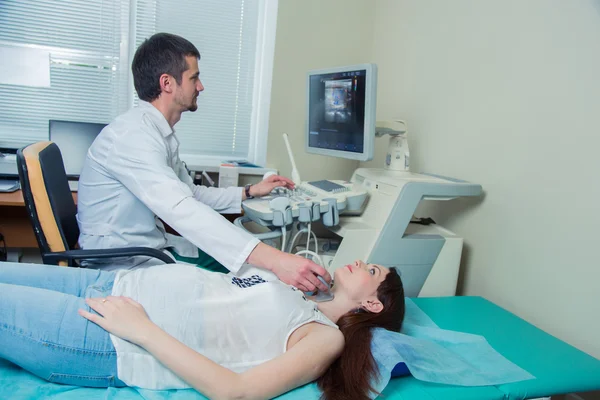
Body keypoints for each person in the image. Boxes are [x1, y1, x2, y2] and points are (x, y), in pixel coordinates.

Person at [76, 32, 330, 293]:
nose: (201, 86)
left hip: (151, 249)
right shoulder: (133, 137)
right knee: (255, 285)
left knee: (258, 274)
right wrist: (277, 260)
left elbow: (191, 194)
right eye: (194, 78)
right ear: (167, 83)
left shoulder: (157, 133)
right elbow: (181, 208)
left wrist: (248, 192)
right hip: (123, 265)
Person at [0, 259, 404, 400]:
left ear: (372, 303)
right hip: (110, 284)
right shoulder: (302, 292)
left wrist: (140, 329)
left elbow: (235, 391)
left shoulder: (323, 335)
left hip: (109, 337)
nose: (359, 262)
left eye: (371, 271)